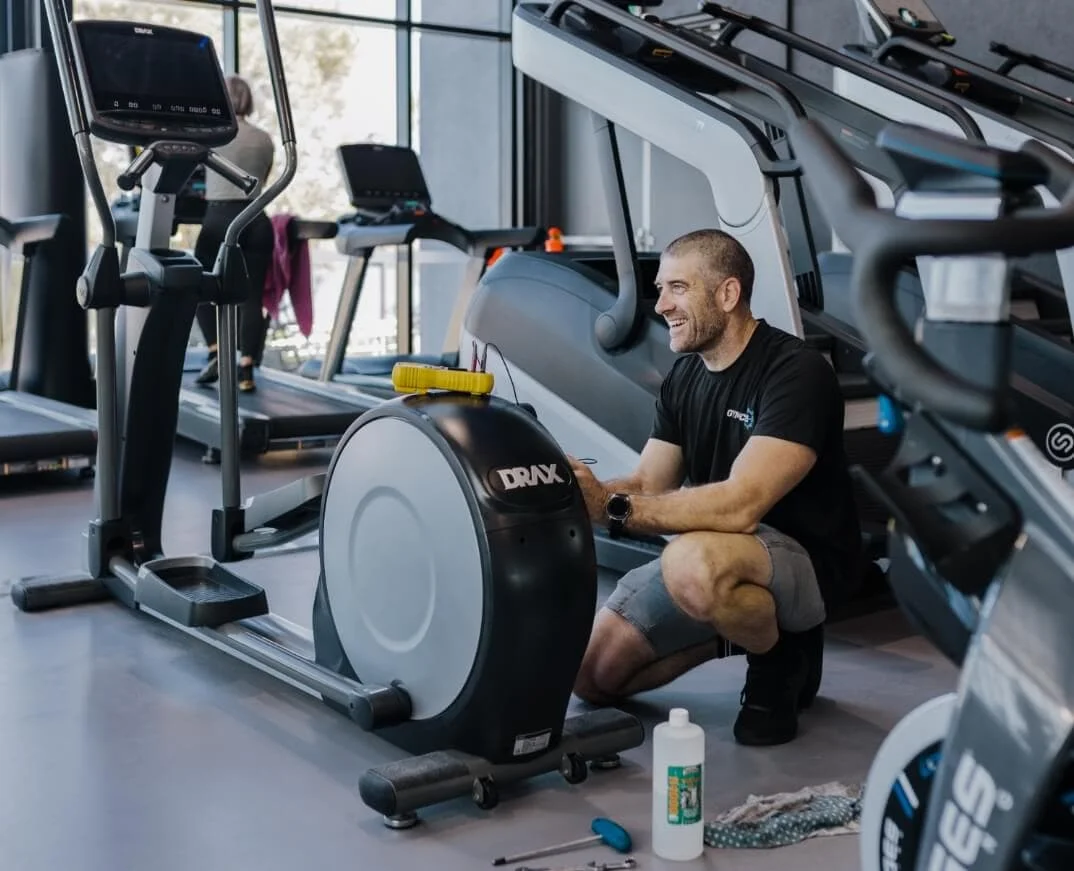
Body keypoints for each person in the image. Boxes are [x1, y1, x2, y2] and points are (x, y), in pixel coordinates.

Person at [568, 228, 863, 747]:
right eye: (660, 289)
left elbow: (741, 505)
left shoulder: (796, 372)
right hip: (718, 559)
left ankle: (782, 655)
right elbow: (646, 483)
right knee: (592, 678)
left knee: (690, 560)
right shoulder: (685, 379)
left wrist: (609, 508)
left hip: (805, 563)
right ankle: (739, 637)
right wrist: (575, 495)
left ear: (727, 294)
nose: (660, 306)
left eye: (677, 288)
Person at [193, 74, 275, 393]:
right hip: (256, 219)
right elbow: (261, 180)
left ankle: (216, 352)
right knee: (251, 298)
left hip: (219, 217)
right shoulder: (264, 138)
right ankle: (246, 370)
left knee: (198, 286)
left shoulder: (211, 134)